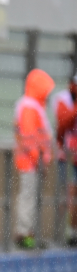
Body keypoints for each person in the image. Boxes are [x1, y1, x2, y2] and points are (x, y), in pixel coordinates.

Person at [13, 68, 54, 249]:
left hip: (34, 162)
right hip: (30, 162)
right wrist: (39, 159)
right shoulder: (29, 106)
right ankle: (24, 234)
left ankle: (29, 233)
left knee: (31, 197)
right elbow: (29, 137)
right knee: (28, 197)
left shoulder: (32, 105)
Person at [53, 73, 77, 245]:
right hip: (67, 157)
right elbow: (63, 123)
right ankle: (63, 233)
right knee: (66, 195)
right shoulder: (62, 99)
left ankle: (72, 232)